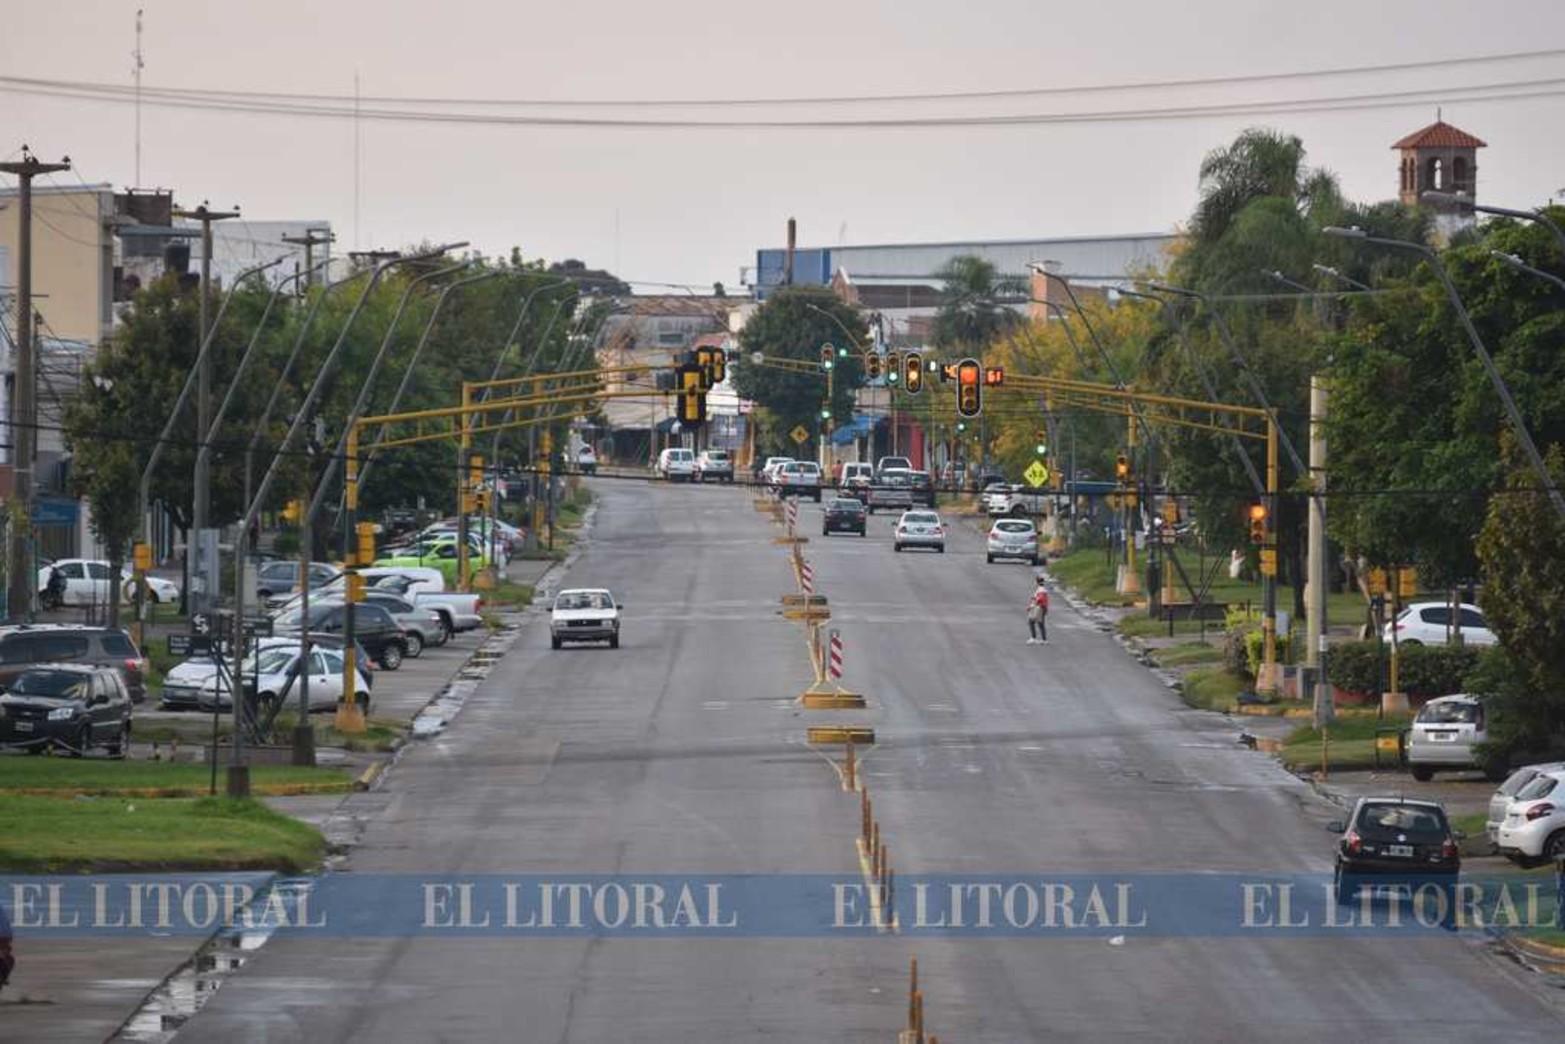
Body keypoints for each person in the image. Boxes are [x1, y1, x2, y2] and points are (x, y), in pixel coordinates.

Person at [1027, 576, 1050, 644]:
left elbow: (1040, 599)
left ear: (1037, 582)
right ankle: (1043, 639)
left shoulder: (1041, 590)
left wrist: (1031, 606)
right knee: (1040, 623)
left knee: (1031, 621)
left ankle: (1034, 638)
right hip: (1042, 607)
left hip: (1039, 608)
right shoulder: (1042, 589)